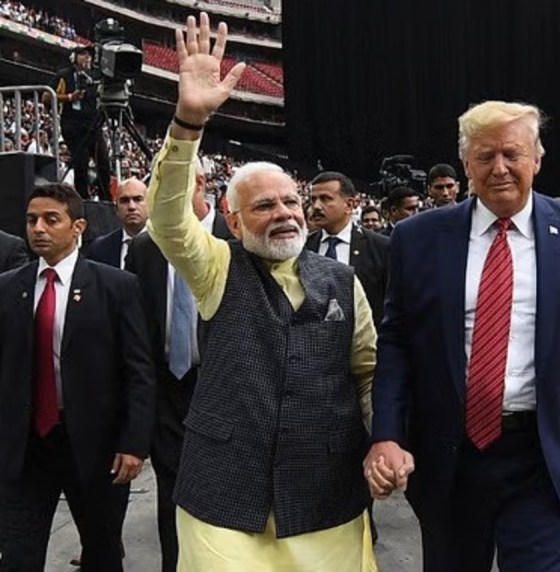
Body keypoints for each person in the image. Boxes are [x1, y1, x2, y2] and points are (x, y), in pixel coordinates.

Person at [145, 13, 378, 571]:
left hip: (325, 497)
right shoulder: (217, 266)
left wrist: (385, 439)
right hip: (223, 495)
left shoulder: (343, 281)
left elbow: (368, 373)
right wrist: (187, 125)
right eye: (264, 205)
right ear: (232, 216)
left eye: (290, 202)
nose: (284, 214)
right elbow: (169, 223)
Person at [365, 100, 560, 572]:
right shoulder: (418, 238)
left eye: (512, 154)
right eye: (485, 156)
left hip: (545, 457)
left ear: (538, 160)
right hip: (451, 458)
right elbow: (398, 341)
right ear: (466, 163)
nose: (500, 168)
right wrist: (386, 433)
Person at [0, 182, 155, 572]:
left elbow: (138, 371)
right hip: (26, 446)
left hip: (95, 446)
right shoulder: (8, 288)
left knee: (101, 552)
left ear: (78, 226)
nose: (38, 228)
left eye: (51, 219)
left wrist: (134, 443)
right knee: (18, 554)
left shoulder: (116, 286)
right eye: (32, 219)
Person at [125, 156, 232, 572]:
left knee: (228, 498)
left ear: (201, 183)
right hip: (169, 389)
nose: (161, 196)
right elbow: (139, 330)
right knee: (172, 495)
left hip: (226, 389)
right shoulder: (146, 247)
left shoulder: (236, 242)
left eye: (172, 183)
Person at [306, 171, 390, 326]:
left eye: (325, 199)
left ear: (349, 205)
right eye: (313, 199)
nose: (316, 206)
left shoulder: (381, 247)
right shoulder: (303, 248)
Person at [48, 45, 111, 200]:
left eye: (89, 55)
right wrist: (70, 97)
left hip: (93, 124)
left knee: (103, 161)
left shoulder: (95, 76)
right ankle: (83, 198)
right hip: (72, 124)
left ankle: (105, 198)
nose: (86, 58)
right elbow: (47, 97)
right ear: (74, 57)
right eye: (82, 54)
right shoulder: (64, 75)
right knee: (81, 161)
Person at [85, 178, 149, 268]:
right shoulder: (99, 248)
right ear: (116, 209)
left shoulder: (164, 246)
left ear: (150, 204)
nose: (131, 207)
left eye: (138, 199)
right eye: (124, 201)